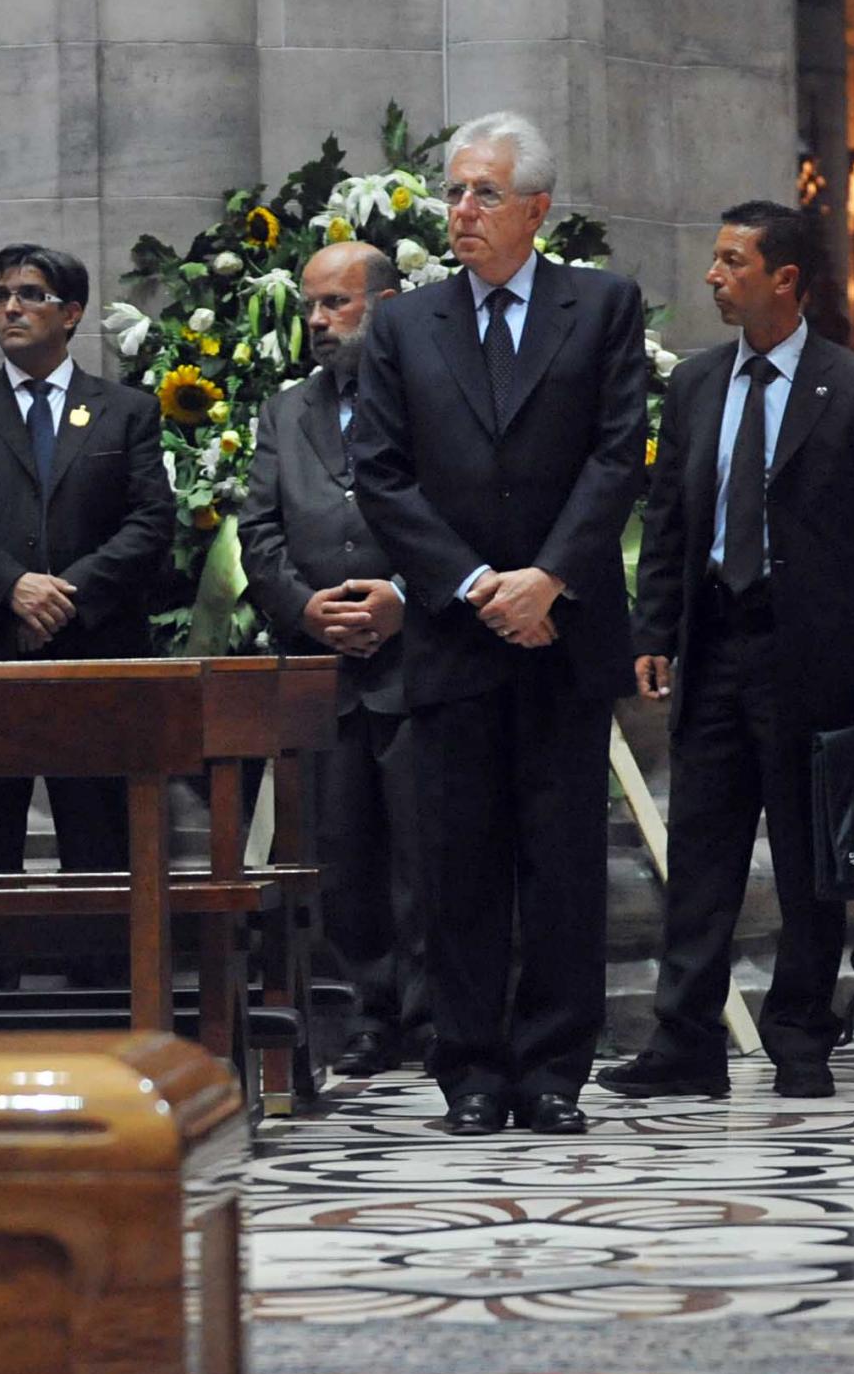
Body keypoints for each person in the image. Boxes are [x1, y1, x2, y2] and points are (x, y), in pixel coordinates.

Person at [348, 112, 648, 1137]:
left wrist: (549, 578)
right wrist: (479, 583)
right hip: (456, 632)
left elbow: (618, 454)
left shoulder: (601, 306)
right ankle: (470, 1069)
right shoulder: (404, 323)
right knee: (458, 862)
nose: (461, 211)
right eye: (455, 193)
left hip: (562, 633)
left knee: (563, 860)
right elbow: (380, 475)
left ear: (536, 208)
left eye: (482, 194)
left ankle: (556, 1067)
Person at [595, 202, 854, 1103]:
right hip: (716, 643)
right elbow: (668, 521)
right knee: (701, 849)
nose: (713, 276)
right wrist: (653, 630)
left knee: (812, 858)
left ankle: (801, 1036)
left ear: (784, 278)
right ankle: (686, 1040)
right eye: (714, 257)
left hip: (810, 649)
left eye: (731, 260)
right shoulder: (699, 384)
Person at [0, 242, 172, 989]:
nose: (11, 308)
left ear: (72, 312)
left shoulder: (127, 412)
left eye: (28, 294)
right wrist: (13, 586)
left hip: (94, 656)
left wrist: (67, 595)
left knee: (100, 841)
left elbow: (150, 525)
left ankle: (104, 1012)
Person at [239, 240, 429, 1078]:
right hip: (327, 670)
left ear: (384, 304)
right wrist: (305, 609)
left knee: (429, 855)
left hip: (418, 663)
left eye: (334, 304)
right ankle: (371, 1014)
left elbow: (463, 513)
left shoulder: (433, 395)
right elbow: (258, 529)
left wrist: (401, 597)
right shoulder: (287, 411)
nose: (315, 321)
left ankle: (439, 1016)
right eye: (311, 306)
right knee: (345, 858)